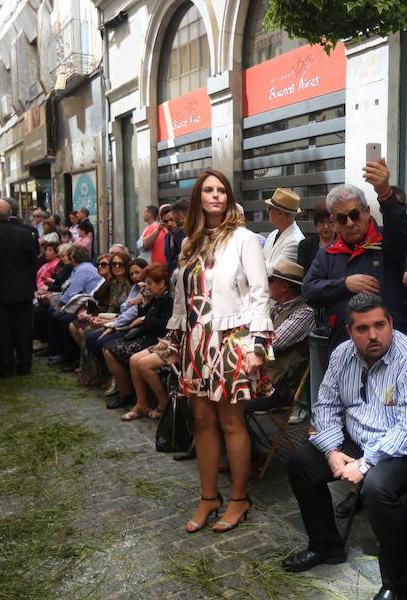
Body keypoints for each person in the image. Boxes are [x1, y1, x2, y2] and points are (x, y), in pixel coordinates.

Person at [282, 293, 407, 600]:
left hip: (405, 449)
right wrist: (331, 452)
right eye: (363, 328)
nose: (373, 335)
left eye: (380, 325)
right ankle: (325, 545)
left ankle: (398, 582)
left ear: (391, 323)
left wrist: (365, 463)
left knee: (377, 489)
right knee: (301, 462)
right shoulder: (342, 354)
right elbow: (325, 404)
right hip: (356, 439)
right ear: (350, 330)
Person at [163, 168, 273, 534]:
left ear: (228, 197)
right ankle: (209, 497)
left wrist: (258, 343)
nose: (215, 196)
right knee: (203, 421)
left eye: (221, 190)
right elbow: (182, 297)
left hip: (231, 338)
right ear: (199, 198)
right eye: (208, 190)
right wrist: (175, 339)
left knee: (230, 421)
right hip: (196, 340)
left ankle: (239, 498)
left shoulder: (244, 239)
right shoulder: (188, 242)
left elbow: (260, 293)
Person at [302, 159, 407, 349]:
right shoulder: (328, 254)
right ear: (335, 221)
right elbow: (309, 291)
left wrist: (385, 193)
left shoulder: (386, 243)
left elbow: (401, 230)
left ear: (367, 212)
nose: (350, 223)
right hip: (344, 348)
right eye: (342, 219)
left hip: (389, 348)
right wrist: (344, 284)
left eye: (354, 215)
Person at [244, 259, 315, 422]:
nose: (267, 284)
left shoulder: (304, 313)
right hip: (261, 377)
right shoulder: (276, 308)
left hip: (278, 388)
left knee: (230, 400)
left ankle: (244, 445)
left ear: (285, 287)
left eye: (271, 281)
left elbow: (269, 344)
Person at [0, 198, 39, 378]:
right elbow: (33, 261)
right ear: (10, 213)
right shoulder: (26, 234)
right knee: (23, 328)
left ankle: (5, 366)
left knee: (2, 329)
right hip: (22, 289)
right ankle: (24, 365)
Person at [102, 263, 173, 410]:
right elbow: (143, 316)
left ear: (161, 283)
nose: (148, 287)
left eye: (150, 283)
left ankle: (135, 397)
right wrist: (144, 303)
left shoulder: (168, 300)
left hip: (156, 339)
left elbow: (162, 326)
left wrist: (144, 319)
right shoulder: (156, 297)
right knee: (107, 348)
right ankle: (127, 393)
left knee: (113, 350)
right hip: (146, 335)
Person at [81, 257, 147, 391]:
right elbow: (123, 307)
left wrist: (111, 324)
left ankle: (120, 381)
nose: (135, 276)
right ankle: (107, 375)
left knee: (100, 341)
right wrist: (130, 303)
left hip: (134, 326)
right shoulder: (131, 286)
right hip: (122, 320)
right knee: (90, 336)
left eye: (137, 272)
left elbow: (132, 313)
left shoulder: (143, 287)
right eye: (132, 273)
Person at [263, 187, 305, 273]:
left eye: (270, 208)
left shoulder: (295, 241)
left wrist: (254, 263)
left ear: (280, 214)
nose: (267, 210)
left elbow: (276, 271)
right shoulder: (273, 234)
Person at [297, 201, 337, 274]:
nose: (326, 227)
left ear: (337, 223)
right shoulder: (305, 245)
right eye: (321, 222)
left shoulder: (345, 243)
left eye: (330, 222)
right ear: (316, 223)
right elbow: (303, 276)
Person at [165, 199, 188, 274]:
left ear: (180, 215)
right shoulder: (177, 234)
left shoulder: (202, 231)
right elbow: (175, 257)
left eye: (173, 216)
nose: (170, 223)